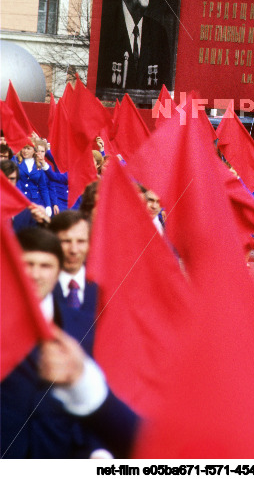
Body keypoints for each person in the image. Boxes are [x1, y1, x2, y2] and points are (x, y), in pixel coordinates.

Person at [1, 226, 137, 458]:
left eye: (45, 266)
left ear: (58, 271)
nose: (35, 274)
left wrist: (98, 450)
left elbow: (101, 391)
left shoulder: (87, 326)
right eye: (28, 264)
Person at [50, 210, 98, 355]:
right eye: (66, 241)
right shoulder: (38, 288)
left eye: (81, 241)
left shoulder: (105, 288)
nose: (74, 250)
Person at [13, 140, 52, 214]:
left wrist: (48, 205)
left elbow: (43, 187)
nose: (25, 151)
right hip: (19, 199)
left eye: (28, 148)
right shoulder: (16, 161)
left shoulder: (39, 165)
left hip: (35, 201)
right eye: (24, 148)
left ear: (34, 150)